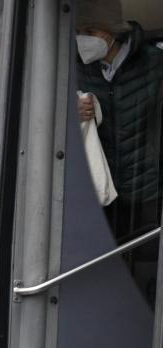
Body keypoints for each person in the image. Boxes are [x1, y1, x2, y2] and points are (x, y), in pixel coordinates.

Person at [74, 0, 163, 244]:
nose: (83, 39)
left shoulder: (154, 63)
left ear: (114, 31)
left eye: (90, 31)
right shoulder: (75, 68)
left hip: (146, 191)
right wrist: (72, 115)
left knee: (144, 259)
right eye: (78, 32)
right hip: (97, 191)